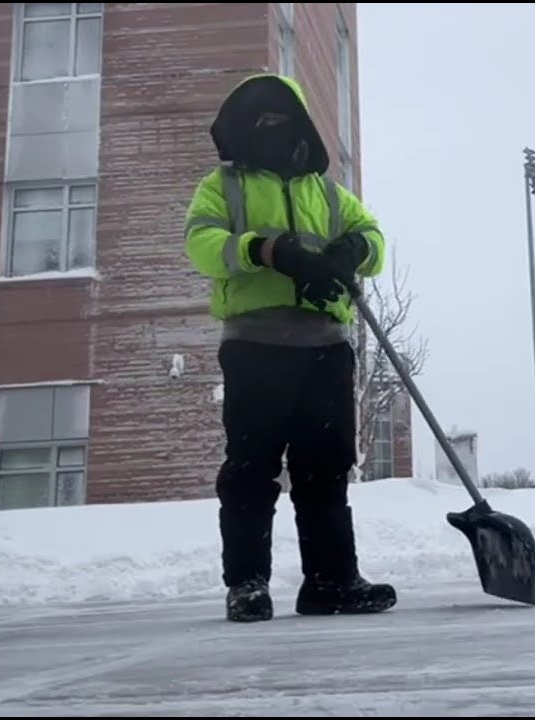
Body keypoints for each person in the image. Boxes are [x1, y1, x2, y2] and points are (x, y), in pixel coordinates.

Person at [183, 73, 397, 622]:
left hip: (324, 347)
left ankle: (331, 581)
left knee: (325, 468)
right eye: (261, 120)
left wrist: (352, 249)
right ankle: (247, 584)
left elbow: (374, 241)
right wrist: (266, 250)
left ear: (300, 125)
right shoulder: (222, 187)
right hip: (255, 346)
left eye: (282, 119)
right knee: (252, 468)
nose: (272, 129)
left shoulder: (326, 192)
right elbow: (202, 244)